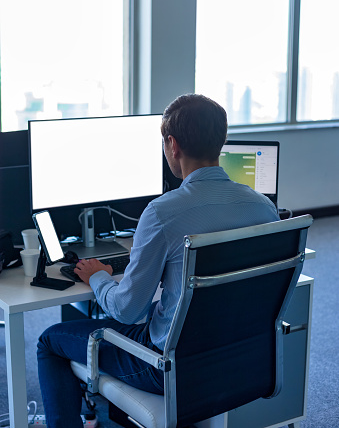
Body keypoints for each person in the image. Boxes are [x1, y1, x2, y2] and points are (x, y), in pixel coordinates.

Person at [37, 94, 279, 428]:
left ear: (172, 144)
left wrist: (98, 277)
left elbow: (127, 310)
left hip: (166, 367)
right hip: (238, 360)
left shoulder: (163, 213)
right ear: (220, 141)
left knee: (50, 340)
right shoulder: (264, 207)